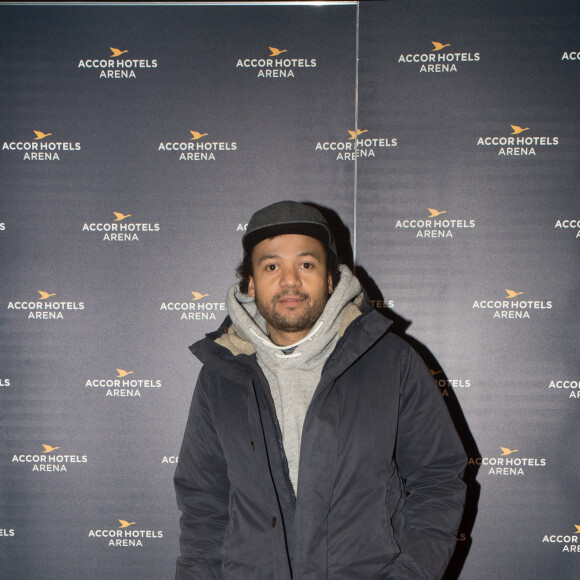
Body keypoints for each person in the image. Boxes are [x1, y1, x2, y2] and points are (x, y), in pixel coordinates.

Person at [174, 200, 466, 580]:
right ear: (250, 282)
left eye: (306, 264)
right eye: (272, 266)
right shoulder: (221, 373)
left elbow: (438, 479)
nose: (289, 280)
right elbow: (203, 502)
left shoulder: (392, 361)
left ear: (331, 278)